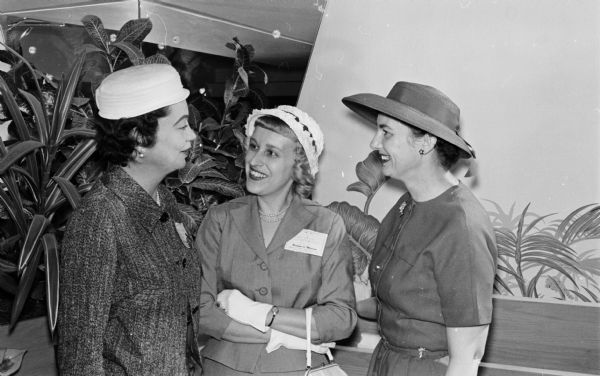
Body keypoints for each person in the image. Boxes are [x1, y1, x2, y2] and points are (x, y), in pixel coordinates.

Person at [342, 82, 497, 376]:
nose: (374, 142)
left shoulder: (462, 226)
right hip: (387, 361)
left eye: (386, 132)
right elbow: (400, 306)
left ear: (425, 142)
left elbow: (468, 357)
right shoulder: (408, 204)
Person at [57, 64, 202, 375]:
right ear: (139, 138)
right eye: (180, 126)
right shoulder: (99, 220)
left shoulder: (165, 199)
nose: (192, 136)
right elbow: (79, 359)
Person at [196, 105, 357, 375]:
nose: (255, 161)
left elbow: (340, 319)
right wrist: (289, 335)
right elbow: (200, 308)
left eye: (271, 153)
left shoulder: (327, 224)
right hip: (224, 368)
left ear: (299, 165)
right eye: (254, 147)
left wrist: (259, 313)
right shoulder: (221, 219)